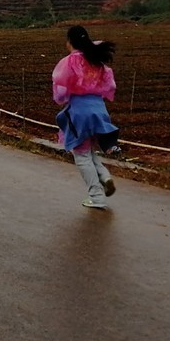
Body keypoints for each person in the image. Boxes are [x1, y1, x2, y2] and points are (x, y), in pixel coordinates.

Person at [52, 25, 119, 209]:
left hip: (80, 112)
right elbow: (110, 85)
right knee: (88, 150)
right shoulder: (96, 59)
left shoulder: (70, 61)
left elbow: (60, 88)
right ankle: (105, 177)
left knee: (81, 155)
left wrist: (62, 99)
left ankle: (96, 197)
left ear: (70, 41)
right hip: (99, 110)